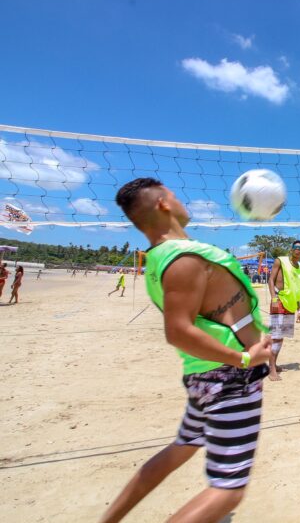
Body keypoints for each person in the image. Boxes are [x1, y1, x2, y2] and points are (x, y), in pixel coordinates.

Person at [101, 178, 272, 523]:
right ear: (164, 203)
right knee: (228, 490)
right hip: (228, 379)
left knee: (183, 446)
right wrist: (243, 358)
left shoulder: (169, 255)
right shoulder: (182, 259)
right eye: (176, 195)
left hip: (207, 377)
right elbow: (178, 332)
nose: (183, 201)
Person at [267, 240, 300, 381]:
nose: (298, 250)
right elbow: (271, 280)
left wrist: (299, 309)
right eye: (295, 247)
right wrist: (273, 298)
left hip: (291, 304)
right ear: (291, 249)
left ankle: (274, 364)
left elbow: (296, 289)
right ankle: (271, 370)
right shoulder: (280, 261)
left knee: (281, 336)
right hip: (279, 300)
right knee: (275, 335)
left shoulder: (299, 266)